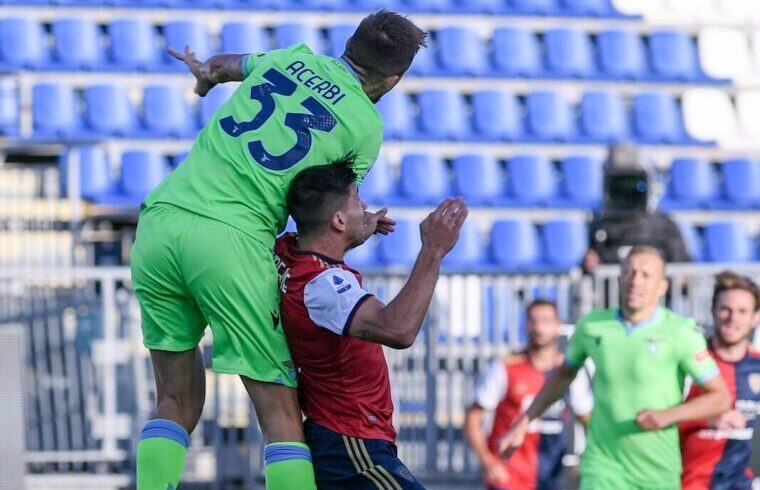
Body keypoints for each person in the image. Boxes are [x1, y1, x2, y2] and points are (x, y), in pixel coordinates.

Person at [130, 12, 427, 490]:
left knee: (175, 401)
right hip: (232, 239)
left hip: (160, 220)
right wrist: (365, 226)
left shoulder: (292, 58)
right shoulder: (365, 125)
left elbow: (227, 65)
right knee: (280, 414)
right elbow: (331, 210)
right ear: (392, 80)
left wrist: (206, 75)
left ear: (349, 44)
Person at [274, 160, 468, 489]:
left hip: (343, 438)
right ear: (337, 219)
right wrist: (433, 251)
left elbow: (320, 242)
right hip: (350, 443)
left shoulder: (289, 249)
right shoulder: (323, 285)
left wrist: (353, 231)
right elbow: (398, 329)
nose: (364, 205)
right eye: (356, 199)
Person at [499, 245, 731, 489]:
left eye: (645, 275)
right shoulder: (592, 326)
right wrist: (524, 421)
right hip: (603, 465)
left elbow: (720, 398)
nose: (635, 281)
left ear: (662, 286)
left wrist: (668, 416)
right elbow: (564, 374)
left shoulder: (681, 333)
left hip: (657, 470)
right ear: (619, 278)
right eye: (629, 272)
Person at [464, 300, 593, 490]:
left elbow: (587, 419)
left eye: (546, 321)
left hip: (552, 477)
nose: (539, 327)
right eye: (533, 321)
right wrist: (487, 461)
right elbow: (473, 417)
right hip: (509, 478)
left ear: (558, 325)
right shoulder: (505, 368)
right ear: (525, 325)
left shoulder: (569, 372)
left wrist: (589, 459)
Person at [680, 271, 760, 489]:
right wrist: (709, 420)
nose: (733, 318)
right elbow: (659, 418)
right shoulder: (688, 363)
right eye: (726, 309)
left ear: (755, 318)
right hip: (689, 482)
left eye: (742, 311)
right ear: (713, 311)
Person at [583, 144, 690, 273]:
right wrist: (589, 265)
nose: (626, 192)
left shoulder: (663, 226)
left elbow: (683, 270)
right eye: (618, 187)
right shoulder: (599, 226)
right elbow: (589, 269)